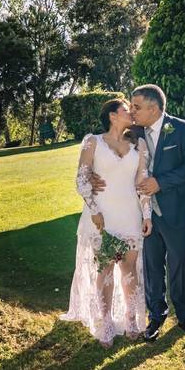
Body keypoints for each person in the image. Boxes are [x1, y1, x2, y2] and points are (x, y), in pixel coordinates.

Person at [92, 84, 185, 341]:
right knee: (152, 266)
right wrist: (94, 176)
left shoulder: (181, 128)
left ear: (154, 109)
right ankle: (156, 317)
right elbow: (108, 145)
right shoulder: (134, 129)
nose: (132, 111)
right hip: (143, 213)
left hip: (175, 209)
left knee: (180, 264)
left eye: (137, 107)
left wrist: (160, 183)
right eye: (130, 106)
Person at [60, 98, 153, 347]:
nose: (131, 112)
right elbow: (81, 180)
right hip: (102, 216)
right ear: (112, 115)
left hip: (130, 215)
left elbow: (142, 183)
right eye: (126, 109)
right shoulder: (93, 142)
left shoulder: (139, 144)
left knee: (129, 270)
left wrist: (146, 216)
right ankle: (106, 322)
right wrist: (93, 211)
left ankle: (131, 319)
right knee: (105, 270)